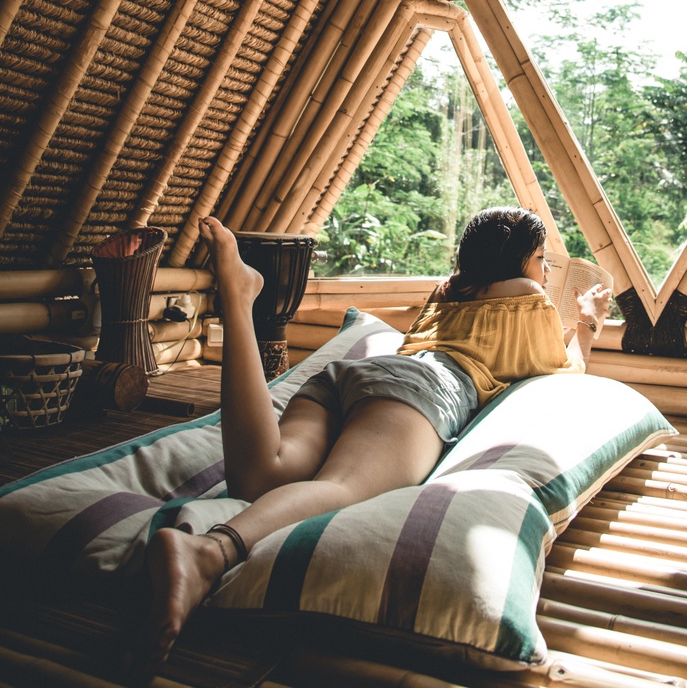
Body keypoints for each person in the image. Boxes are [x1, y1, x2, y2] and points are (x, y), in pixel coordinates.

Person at [140, 208, 611, 669]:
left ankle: (240, 298)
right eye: (541, 258)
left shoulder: (448, 290)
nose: (546, 272)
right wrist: (588, 322)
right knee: (346, 488)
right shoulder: (527, 295)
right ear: (518, 260)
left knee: (262, 477)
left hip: (354, 377)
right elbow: (563, 372)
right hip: (422, 390)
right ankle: (210, 550)